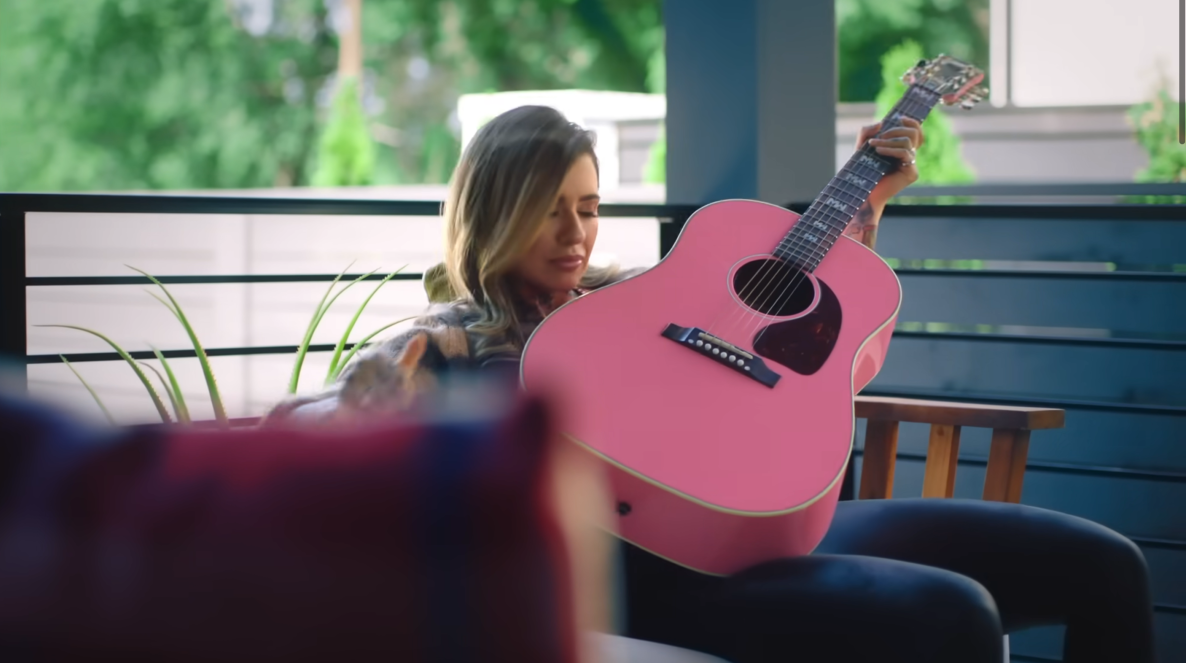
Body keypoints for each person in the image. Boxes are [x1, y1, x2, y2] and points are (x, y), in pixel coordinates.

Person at [269, 105, 1156, 663]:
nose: (576, 230)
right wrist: (360, 400)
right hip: (656, 572)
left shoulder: (630, 296)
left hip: (780, 523)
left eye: (589, 204)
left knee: (1104, 563)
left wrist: (867, 203)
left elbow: (807, 315)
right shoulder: (454, 340)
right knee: (954, 614)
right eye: (551, 207)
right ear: (496, 208)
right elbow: (344, 414)